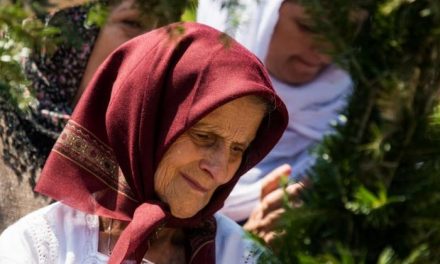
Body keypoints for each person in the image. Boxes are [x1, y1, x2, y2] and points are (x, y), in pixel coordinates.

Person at [0, 22, 288, 263]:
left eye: (238, 149)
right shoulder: (38, 248)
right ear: (143, 122)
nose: (220, 169)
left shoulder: (242, 255)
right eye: (204, 137)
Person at [0, 0, 186, 232]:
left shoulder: (150, 165)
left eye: (166, 34)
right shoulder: (5, 130)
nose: (151, 48)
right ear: (66, 29)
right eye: (132, 23)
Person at [197, 0, 353, 242]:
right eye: (308, 27)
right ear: (256, 11)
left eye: (346, 32)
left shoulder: (365, 132)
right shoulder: (175, 106)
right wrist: (246, 250)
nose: (325, 51)